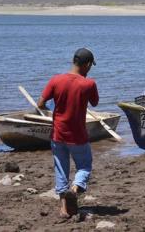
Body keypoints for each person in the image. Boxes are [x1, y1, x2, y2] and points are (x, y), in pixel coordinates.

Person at [38, 48, 99, 218]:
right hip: (78, 135)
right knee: (85, 165)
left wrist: (54, 108)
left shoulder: (56, 80)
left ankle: (64, 209)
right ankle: (75, 188)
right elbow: (94, 103)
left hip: (58, 134)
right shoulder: (89, 84)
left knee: (61, 170)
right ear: (87, 64)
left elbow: (41, 103)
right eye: (90, 66)